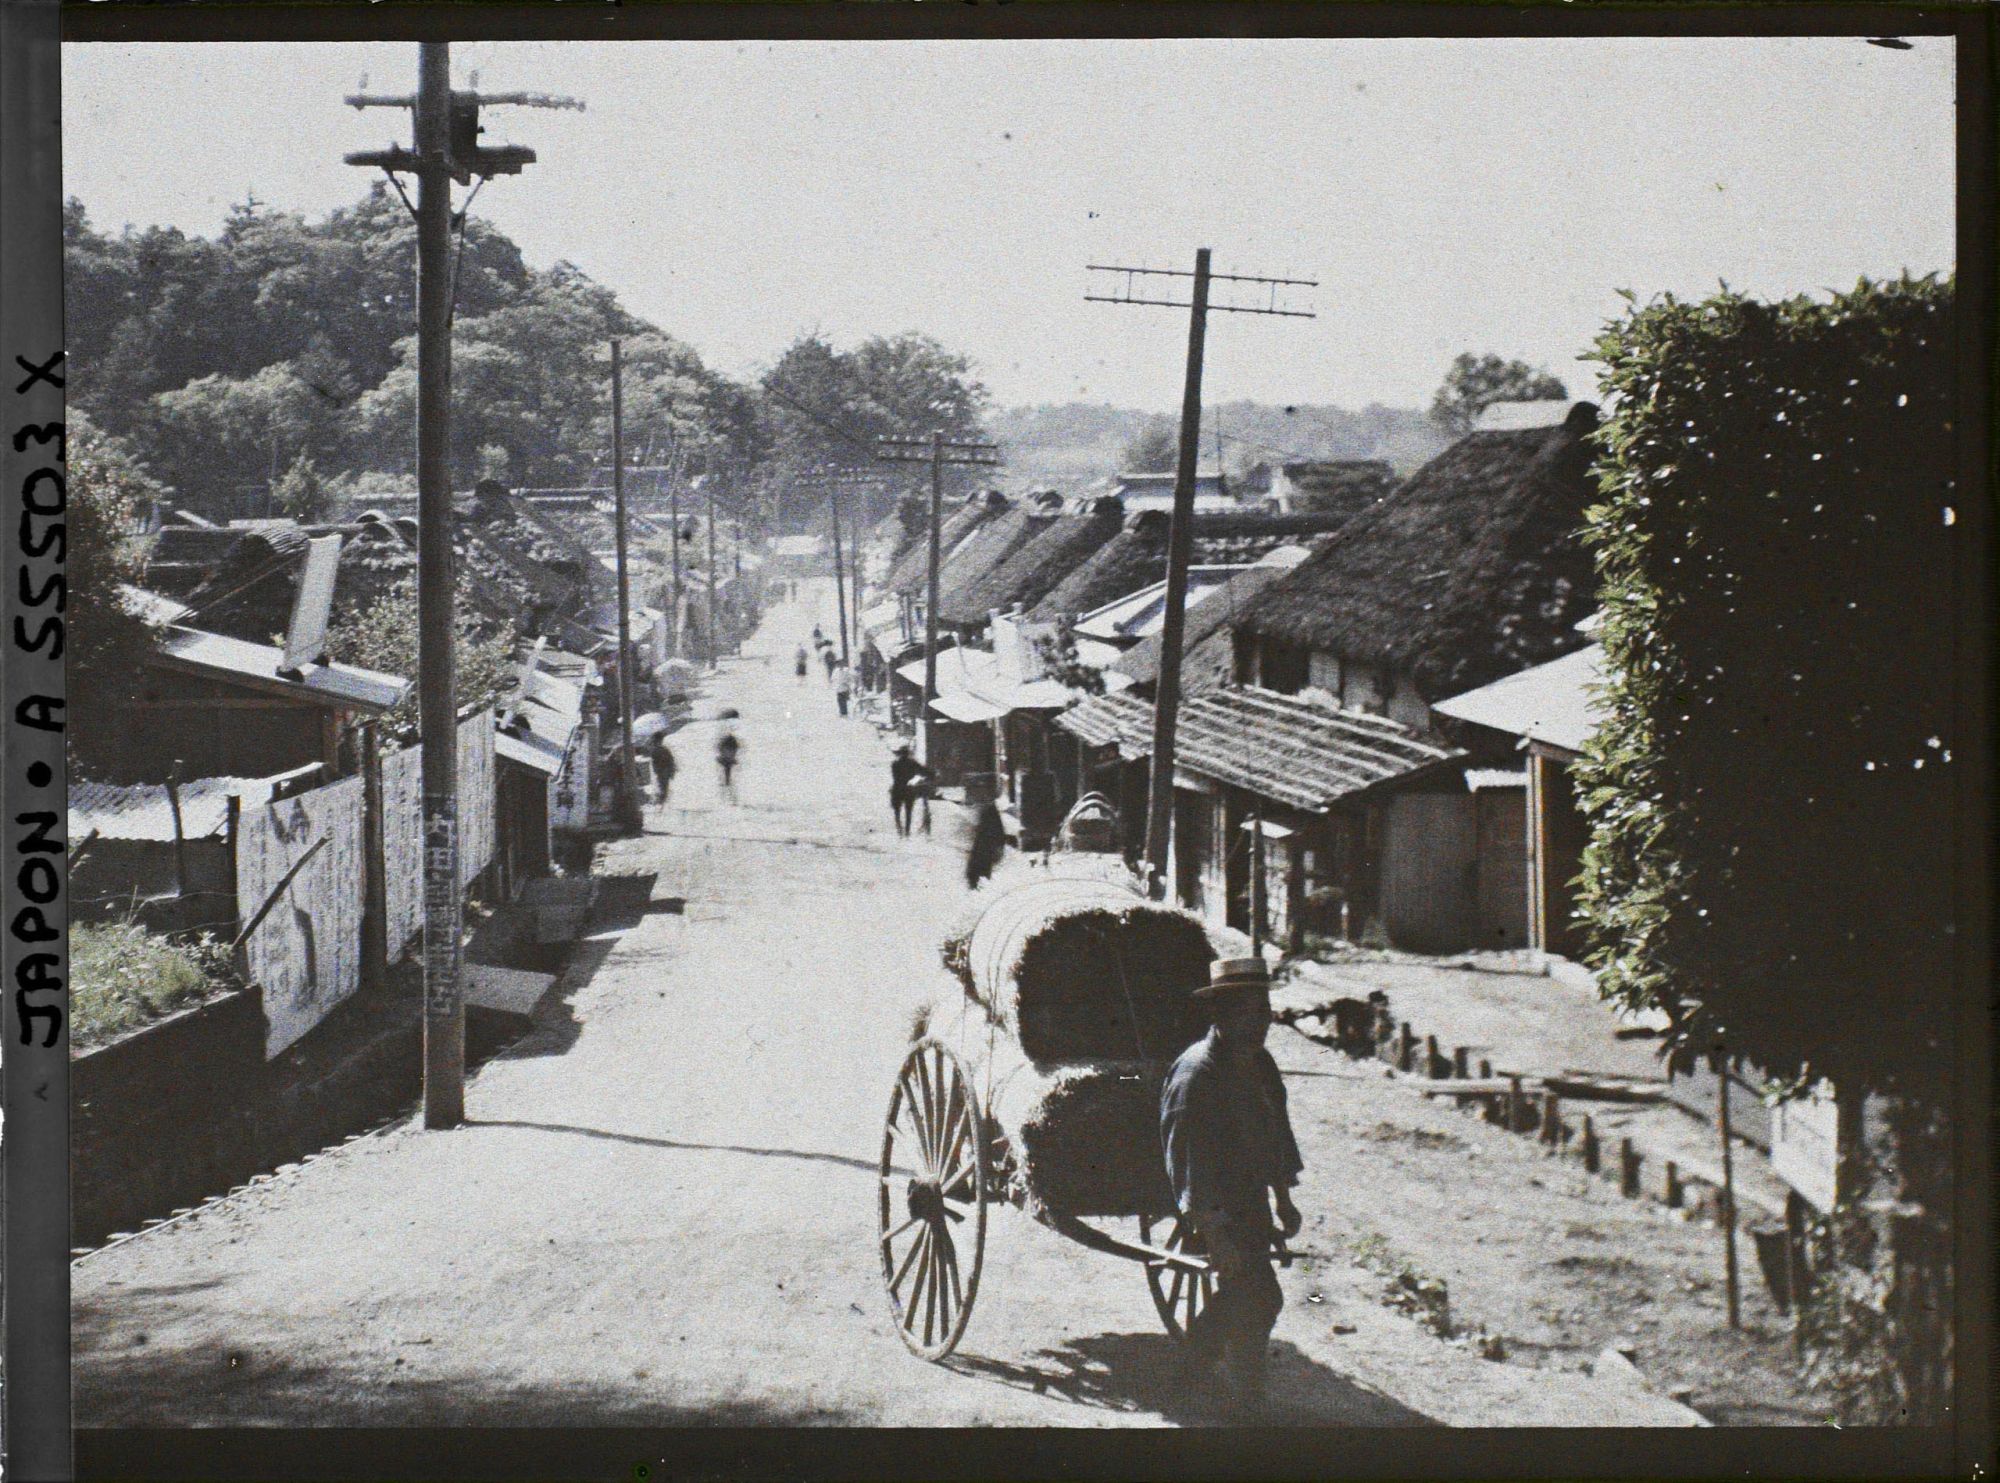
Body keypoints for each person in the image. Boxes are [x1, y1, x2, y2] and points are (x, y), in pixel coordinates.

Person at [1159, 957, 1304, 1412]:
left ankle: (1202, 1372)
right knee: (1260, 1293)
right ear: (1220, 1015)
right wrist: (1213, 1234)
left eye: (1264, 1010)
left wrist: (1283, 1200)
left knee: (1253, 1293)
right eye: (1248, 1011)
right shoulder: (1195, 1076)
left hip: (1250, 1197)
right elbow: (1188, 1163)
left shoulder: (1261, 1066)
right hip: (1213, 1202)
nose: (1261, 1022)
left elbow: (1277, 1133)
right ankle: (1239, 1396)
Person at [965, 781, 1006, 889]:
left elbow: (997, 830)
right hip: (986, 843)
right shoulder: (989, 809)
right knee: (981, 864)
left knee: (980, 863)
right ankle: (977, 883)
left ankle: (976, 884)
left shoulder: (989, 810)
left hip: (986, 843)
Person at [888, 744, 929, 837]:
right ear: (908, 754)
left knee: (897, 811)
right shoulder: (912, 763)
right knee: (909, 811)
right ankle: (907, 831)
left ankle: (899, 829)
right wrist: (931, 774)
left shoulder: (895, 763)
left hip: (897, 789)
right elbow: (923, 770)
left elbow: (896, 776)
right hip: (908, 789)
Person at [648, 733, 677, 805]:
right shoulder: (663, 749)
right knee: (663, 785)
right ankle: (662, 799)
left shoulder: (657, 750)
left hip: (662, 771)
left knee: (662, 784)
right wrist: (672, 771)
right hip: (663, 771)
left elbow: (670, 761)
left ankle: (662, 799)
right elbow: (671, 761)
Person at [715, 729, 741, 802]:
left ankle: (726, 785)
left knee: (726, 772)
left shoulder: (724, 742)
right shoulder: (732, 742)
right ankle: (727, 784)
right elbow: (736, 748)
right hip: (728, 760)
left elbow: (719, 748)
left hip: (725, 760)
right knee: (727, 772)